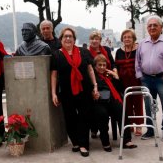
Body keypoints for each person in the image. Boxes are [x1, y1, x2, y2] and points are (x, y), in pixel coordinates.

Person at [51, 27, 98, 157]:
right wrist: (53, 93)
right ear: (61, 39)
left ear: (74, 39)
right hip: (66, 92)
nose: (68, 38)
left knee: (84, 117)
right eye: (65, 36)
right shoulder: (56, 55)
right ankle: (75, 142)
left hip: (84, 90)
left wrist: (95, 86)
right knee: (70, 117)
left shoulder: (83, 52)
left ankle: (83, 144)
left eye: (70, 36)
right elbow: (54, 75)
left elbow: (90, 70)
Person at [135, 15, 163, 142]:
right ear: (147, 28)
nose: (152, 27)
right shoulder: (143, 43)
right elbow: (137, 62)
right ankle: (150, 130)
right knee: (149, 106)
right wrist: (140, 76)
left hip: (162, 79)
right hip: (146, 79)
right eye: (150, 25)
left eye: (155, 25)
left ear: (161, 28)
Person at [92, 54, 137, 152]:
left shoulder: (109, 75)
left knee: (122, 109)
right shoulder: (93, 76)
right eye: (100, 65)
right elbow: (88, 89)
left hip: (111, 100)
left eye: (104, 65)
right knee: (102, 114)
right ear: (95, 66)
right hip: (98, 102)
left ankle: (126, 140)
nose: (102, 67)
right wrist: (93, 93)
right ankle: (105, 141)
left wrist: (116, 77)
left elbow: (120, 89)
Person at [88, 31, 117, 138]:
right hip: (94, 81)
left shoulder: (107, 50)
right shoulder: (86, 52)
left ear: (100, 40)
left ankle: (104, 129)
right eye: (92, 39)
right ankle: (94, 128)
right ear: (89, 40)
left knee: (107, 103)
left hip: (108, 79)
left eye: (97, 39)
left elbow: (113, 63)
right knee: (95, 104)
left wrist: (114, 72)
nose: (94, 41)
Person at [115, 29, 143, 136]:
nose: (127, 39)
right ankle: (130, 123)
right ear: (122, 39)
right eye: (125, 37)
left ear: (134, 39)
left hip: (136, 79)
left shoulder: (139, 49)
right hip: (123, 81)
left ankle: (139, 125)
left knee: (138, 102)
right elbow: (116, 66)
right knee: (127, 103)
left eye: (129, 37)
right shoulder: (118, 51)